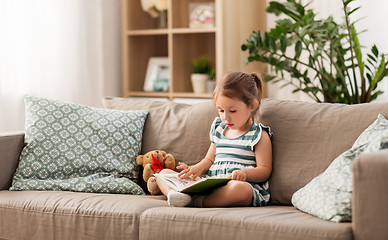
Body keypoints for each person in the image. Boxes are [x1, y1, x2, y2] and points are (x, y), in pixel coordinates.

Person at [156, 71, 273, 207]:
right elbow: (209, 160)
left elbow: (265, 170)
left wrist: (245, 173)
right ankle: (174, 195)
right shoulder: (219, 129)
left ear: (252, 106)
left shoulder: (258, 135)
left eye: (232, 111)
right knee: (163, 174)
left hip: (235, 186)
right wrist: (196, 168)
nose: (225, 117)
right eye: (221, 110)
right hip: (211, 183)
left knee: (241, 189)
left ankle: (194, 201)